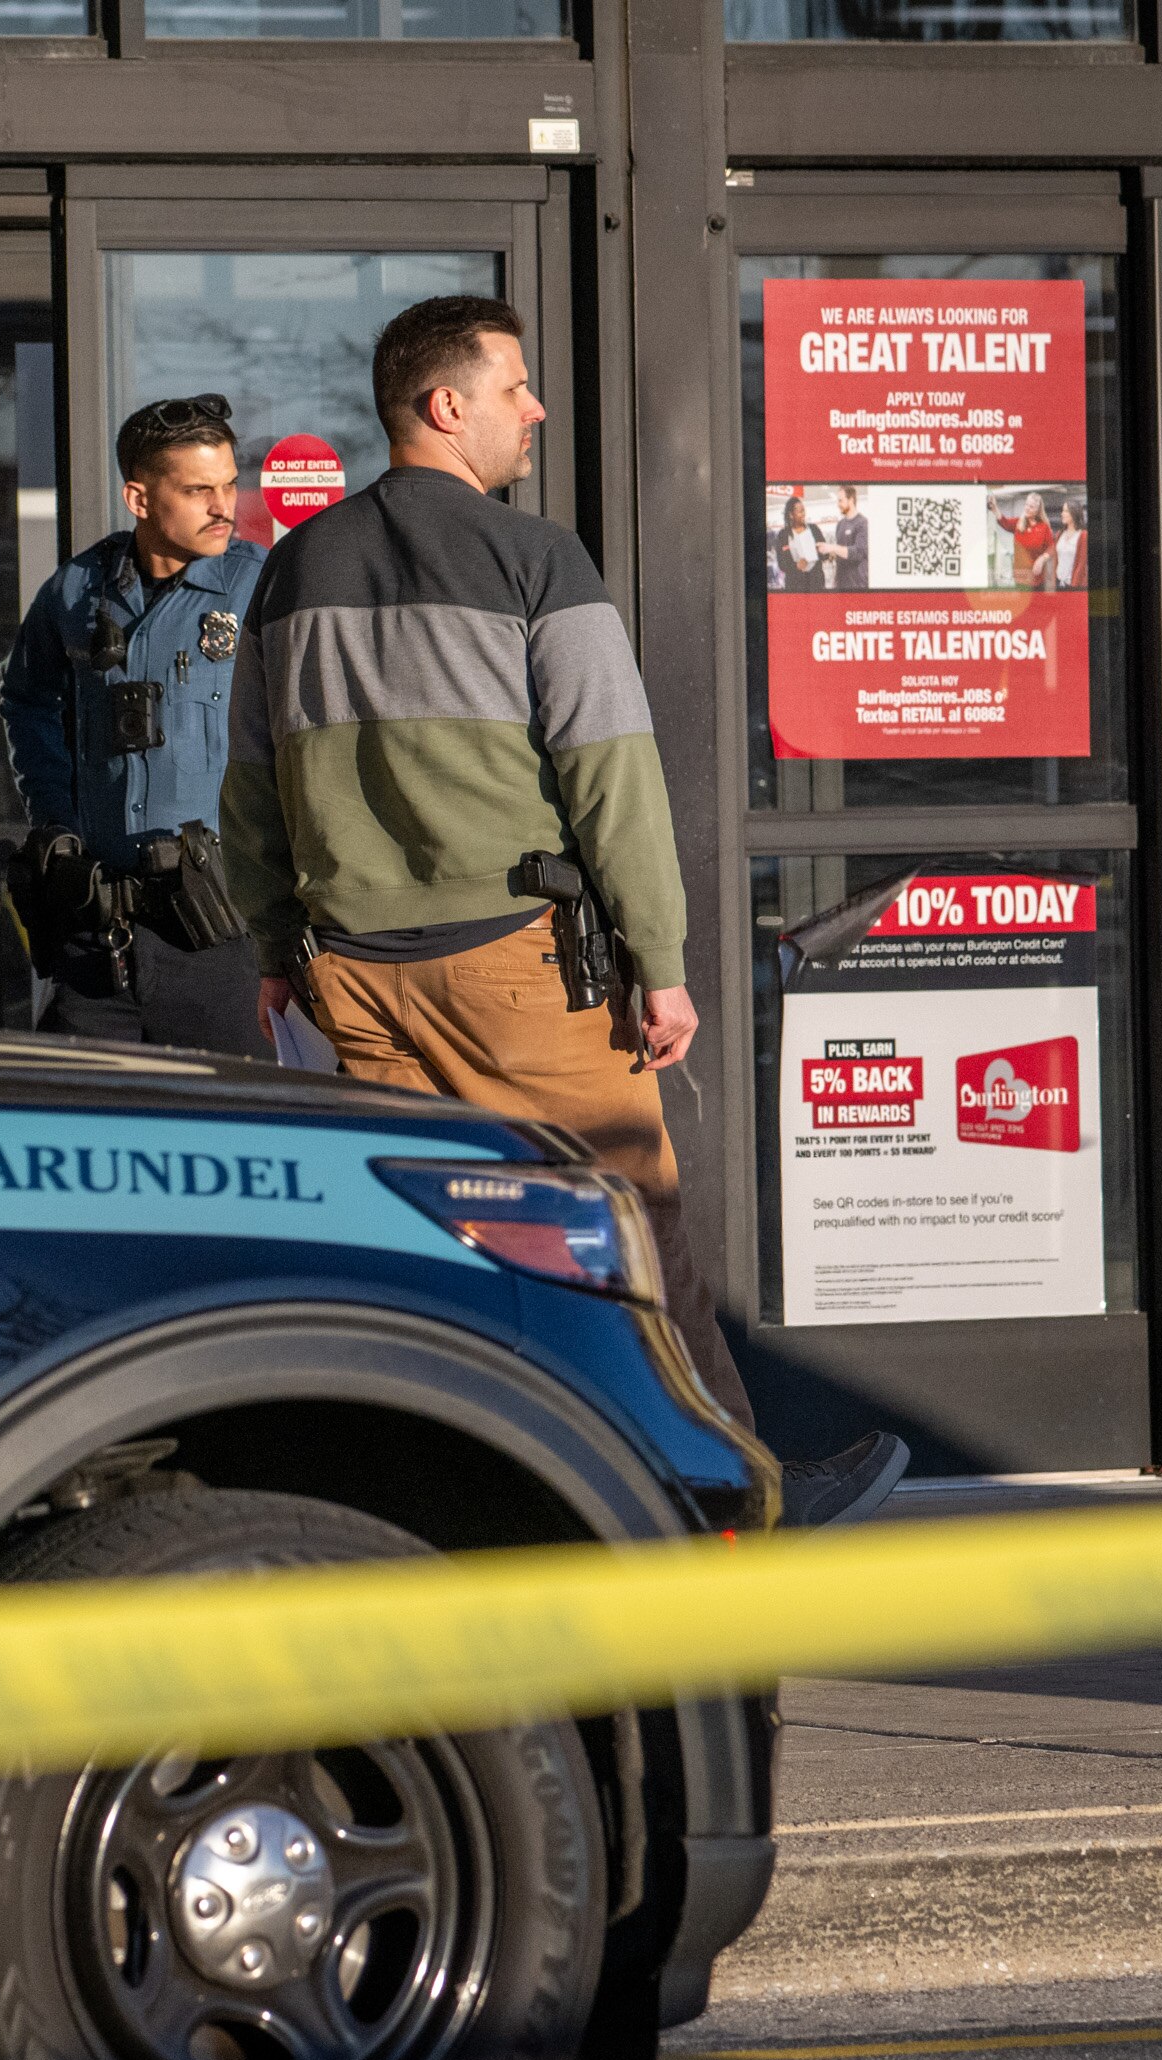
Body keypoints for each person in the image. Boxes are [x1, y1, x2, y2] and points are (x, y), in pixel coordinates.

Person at [219, 294, 907, 1530]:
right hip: (518, 971)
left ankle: (463, 1508)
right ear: (446, 408)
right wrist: (661, 958)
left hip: (355, 979)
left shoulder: (292, 569)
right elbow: (611, 773)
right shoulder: (536, 559)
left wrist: (276, 952)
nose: (533, 410)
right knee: (625, 1231)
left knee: (438, 1250)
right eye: (515, 387)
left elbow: (252, 789)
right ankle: (732, 1497)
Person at [0, 394, 268, 1055]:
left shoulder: (258, 586)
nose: (224, 506)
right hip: (100, 929)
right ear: (140, 499)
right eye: (199, 489)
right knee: (70, 1116)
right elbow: (27, 702)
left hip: (218, 926)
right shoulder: (76, 590)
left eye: (231, 484)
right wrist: (57, 814)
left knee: (231, 1123)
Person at [770, 491, 825, 592]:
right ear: (791, 515)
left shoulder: (814, 529)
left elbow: (825, 555)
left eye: (803, 510)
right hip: (794, 586)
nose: (803, 514)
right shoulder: (783, 535)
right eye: (799, 512)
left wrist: (820, 551)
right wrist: (796, 566)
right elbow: (782, 563)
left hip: (815, 584)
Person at [825, 484, 870, 591]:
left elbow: (859, 552)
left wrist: (833, 548)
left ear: (851, 500)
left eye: (840, 500)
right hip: (841, 584)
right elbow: (841, 553)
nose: (838, 504)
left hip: (857, 584)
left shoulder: (862, 523)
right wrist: (830, 553)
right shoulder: (840, 524)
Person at [1054, 492, 1088, 591]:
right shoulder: (1060, 534)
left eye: (1065, 511)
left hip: (1074, 586)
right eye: (1062, 511)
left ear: (1074, 513)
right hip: (1059, 584)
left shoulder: (1083, 535)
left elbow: (1081, 565)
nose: (1062, 514)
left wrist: (1073, 587)